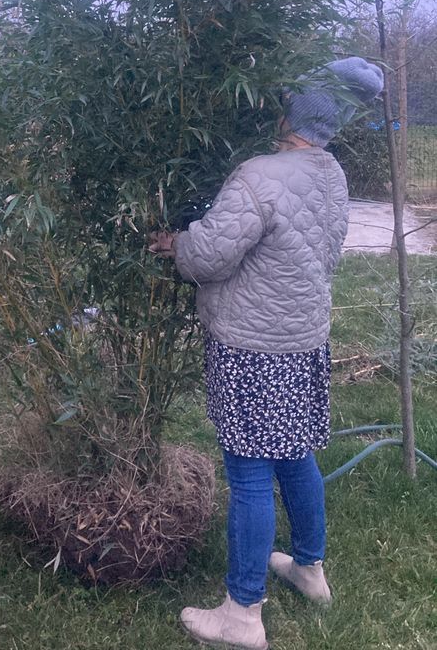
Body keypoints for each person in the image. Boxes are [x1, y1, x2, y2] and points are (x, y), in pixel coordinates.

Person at [149, 56, 384, 650]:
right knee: (294, 454)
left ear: (290, 109)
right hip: (302, 340)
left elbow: (209, 257)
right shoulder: (332, 173)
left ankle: (242, 612)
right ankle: (309, 569)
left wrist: (176, 241)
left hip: (253, 346)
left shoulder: (262, 174)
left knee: (249, 472)